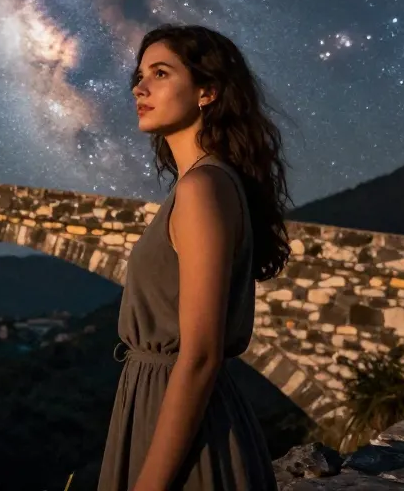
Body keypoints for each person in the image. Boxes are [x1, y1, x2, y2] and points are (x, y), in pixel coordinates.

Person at [98, 24, 292, 491]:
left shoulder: (203, 187)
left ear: (207, 92)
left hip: (182, 426)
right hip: (157, 408)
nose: (139, 88)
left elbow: (200, 355)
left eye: (160, 73)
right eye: (139, 76)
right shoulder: (203, 185)